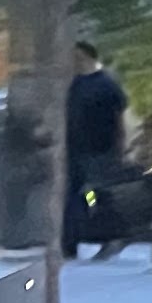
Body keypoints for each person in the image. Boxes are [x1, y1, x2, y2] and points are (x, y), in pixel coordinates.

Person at [63, 37, 128, 257]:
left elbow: (119, 119)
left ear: (88, 58)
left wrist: (120, 148)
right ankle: (70, 243)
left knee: (99, 193)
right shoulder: (73, 85)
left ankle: (111, 237)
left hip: (101, 148)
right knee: (73, 195)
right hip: (74, 149)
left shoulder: (106, 85)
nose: (74, 62)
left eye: (78, 58)